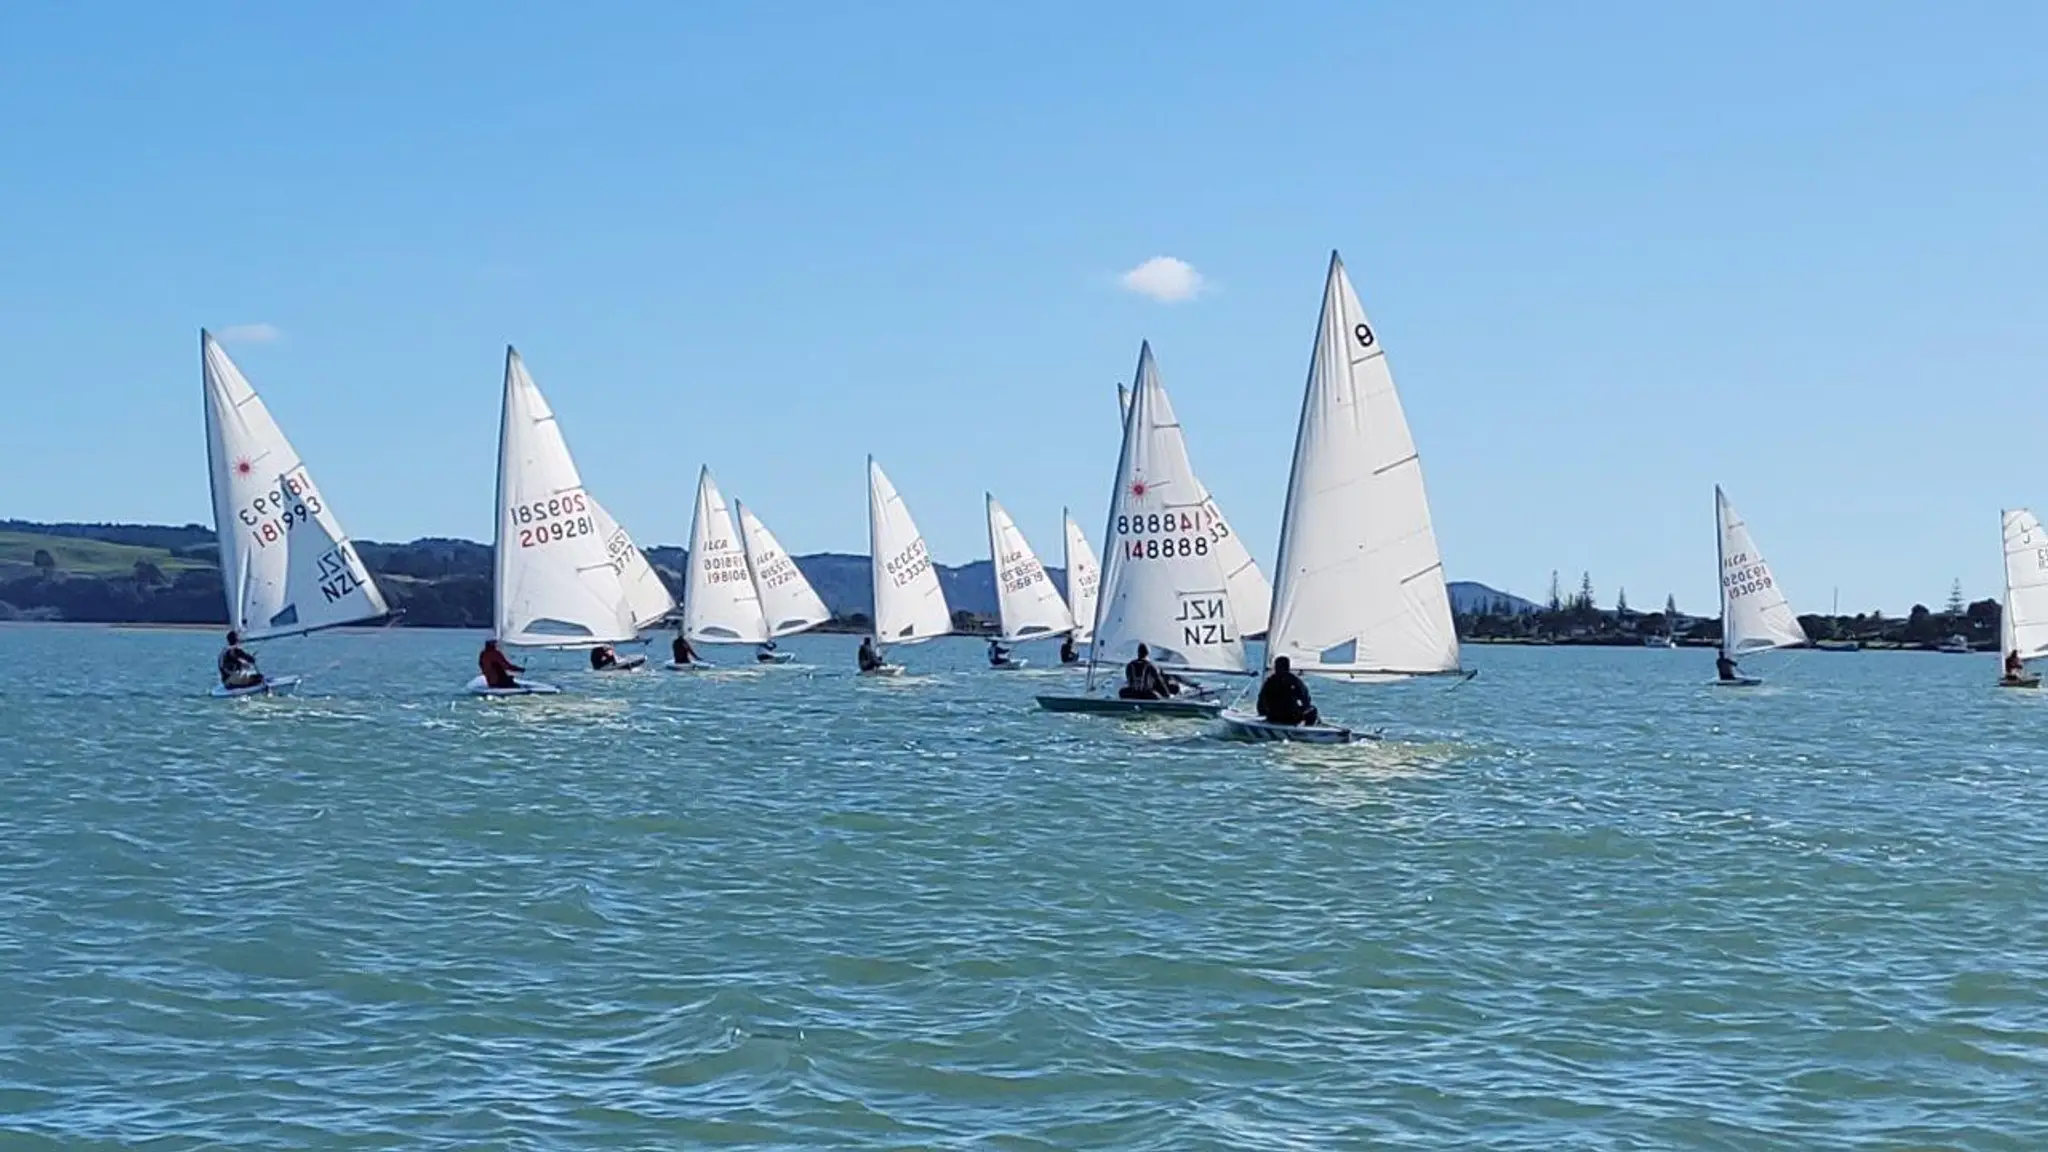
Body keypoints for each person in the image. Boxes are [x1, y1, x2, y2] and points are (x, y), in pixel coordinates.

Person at [1256, 655, 1319, 726]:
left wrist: (1264, 713)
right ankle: (1307, 729)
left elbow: (1260, 703)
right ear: (1288, 667)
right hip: (1291, 718)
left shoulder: (1269, 681)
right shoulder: (1294, 680)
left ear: (1275, 667)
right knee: (1313, 709)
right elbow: (1306, 699)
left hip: (1272, 717)